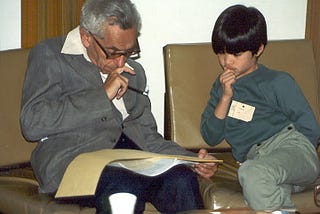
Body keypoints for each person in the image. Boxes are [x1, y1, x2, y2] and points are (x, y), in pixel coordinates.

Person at [20, 0, 218, 213]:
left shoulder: (135, 72)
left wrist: (190, 160)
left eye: (129, 51)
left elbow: (147, 136)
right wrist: (102, 95)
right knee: (123, 187)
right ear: (87, 37)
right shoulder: (51, 55)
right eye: (113, 52)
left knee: (182, 179)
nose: (122, 62)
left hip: (131, 161)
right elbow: (32, 122)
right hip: (74, 161)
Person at [200, 4, 320, 213]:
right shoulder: (220, 88)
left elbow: (310, 127)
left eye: (236, 54)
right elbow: (211, 136)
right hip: (260, 165)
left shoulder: (276, 81)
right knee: (256, 184)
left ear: (258, 49)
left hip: (292, 149)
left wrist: (299, 159)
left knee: (252, 173)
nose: (227, 61)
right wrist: (225, 97)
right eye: (221, 53)